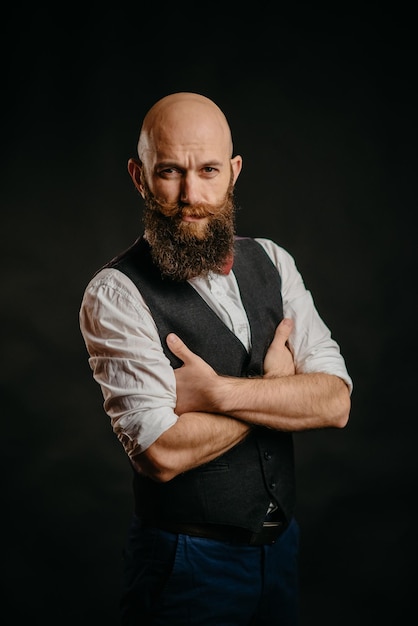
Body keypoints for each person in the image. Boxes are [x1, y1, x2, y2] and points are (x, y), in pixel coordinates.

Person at [79, 91, 352, 625]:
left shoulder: (273, 260)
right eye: (169, 172)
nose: (191, 194)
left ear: (233, 172)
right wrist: (279, 389)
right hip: (186, 564)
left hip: (281, 551)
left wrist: (223, 392)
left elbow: (335, 401)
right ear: (139, 176)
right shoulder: (115, 293)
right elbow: (161, 452)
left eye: (207, 170)